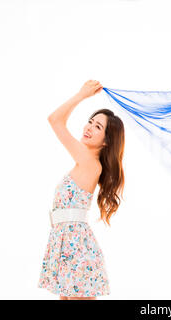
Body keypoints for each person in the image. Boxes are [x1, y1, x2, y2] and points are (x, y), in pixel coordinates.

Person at [38, 80, 125, 300]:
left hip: (75, 246)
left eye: (98, 127)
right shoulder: (86, 162)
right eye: (90, 122)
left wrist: (81, 95)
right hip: (68, 241)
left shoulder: (88, 161)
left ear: (106, 142)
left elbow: (55, 120)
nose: (88, 128)